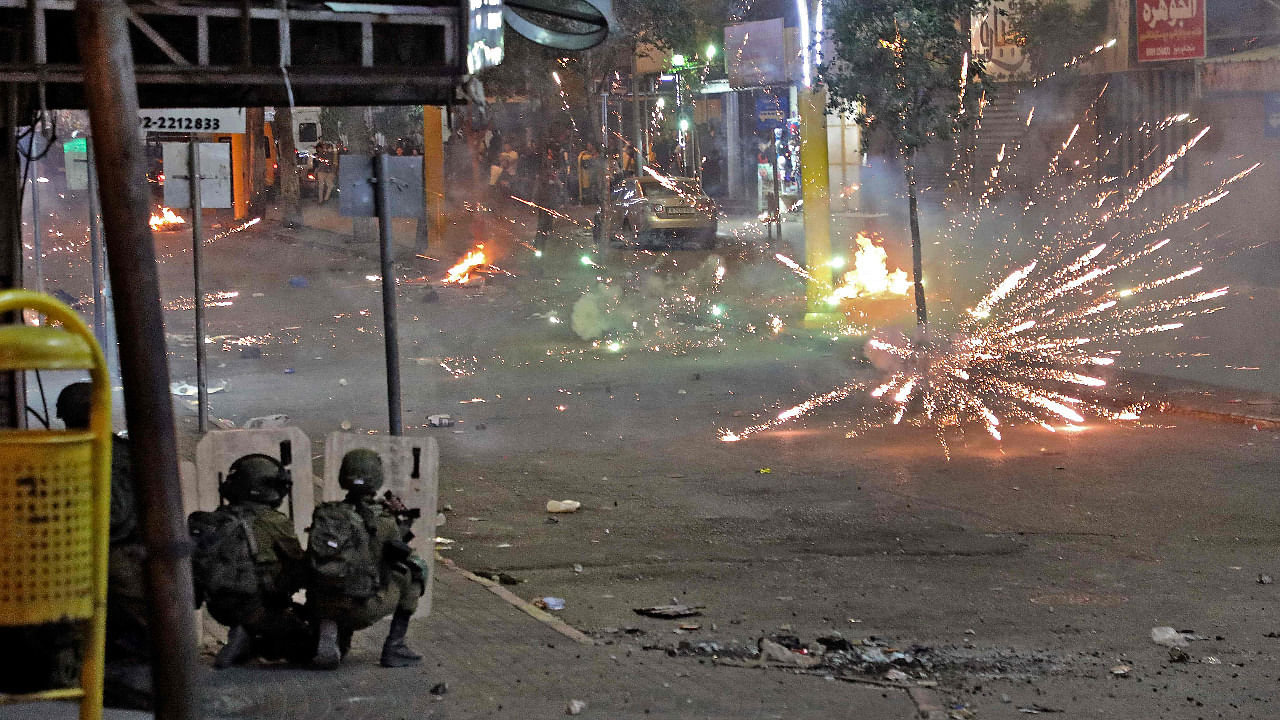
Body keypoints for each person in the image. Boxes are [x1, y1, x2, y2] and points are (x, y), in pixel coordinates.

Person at [306, 449, 426, 669]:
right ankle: (395, 647)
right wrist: (400, 519)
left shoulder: (325, 514)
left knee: (347, 572)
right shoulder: (384, 521)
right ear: (377, 478)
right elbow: (400, 551)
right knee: (415, 571)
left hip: (320, 603)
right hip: (359, 607)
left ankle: (331, 628)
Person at [188, 454, 310, 668]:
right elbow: (298, 564)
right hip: (259, 607)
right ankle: (248, 634)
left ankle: (244, 636)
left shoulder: (216, 520)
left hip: (218, 607)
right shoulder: (274, 521)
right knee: (308, 644)